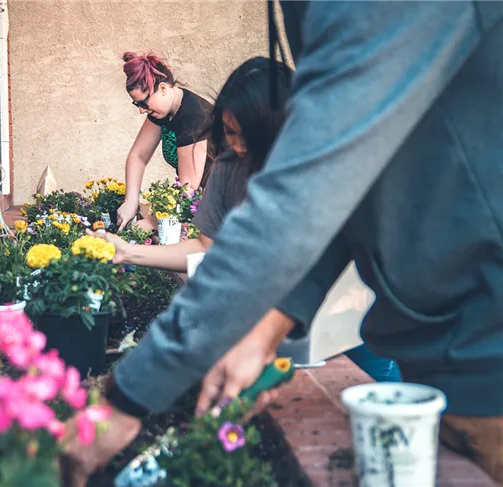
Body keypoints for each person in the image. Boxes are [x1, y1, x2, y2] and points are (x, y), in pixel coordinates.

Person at [62, 1, 503, 485]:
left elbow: (306, 195)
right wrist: (268, 329)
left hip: (483, 352)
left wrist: (131, 395)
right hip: (440, 351)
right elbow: (341, 197)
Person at [93, 56, 401, 383]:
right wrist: (127, 252)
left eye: (246, 136)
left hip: (353, 317)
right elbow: (206, 247)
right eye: (228, 132)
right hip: (285, 326)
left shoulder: (319, 167)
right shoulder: (227, 167)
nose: (236, 146)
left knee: (376, 391)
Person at [116, 52, 212, 232]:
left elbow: (188, 188)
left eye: (144, 103)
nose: (142, 111)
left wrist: (152, 222)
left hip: (228, 203)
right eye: (137, 105)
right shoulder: (163, 111)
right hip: (199, 203)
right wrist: (131, 200)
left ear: (162, 89)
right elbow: (138, 156)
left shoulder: (193, 117)